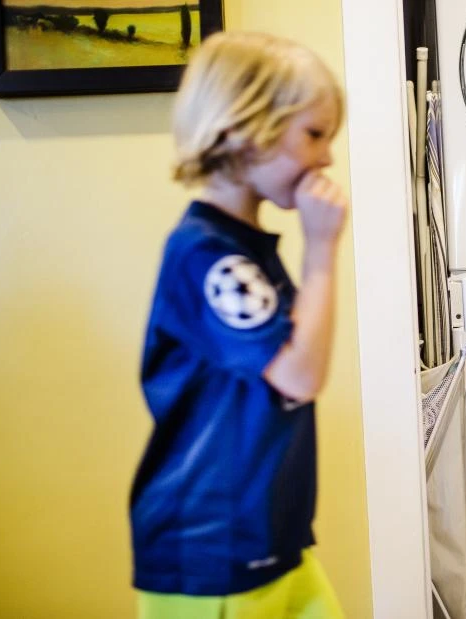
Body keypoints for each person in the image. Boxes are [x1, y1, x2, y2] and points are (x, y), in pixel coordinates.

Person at [129, 32, 347, 618]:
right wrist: (322, 249)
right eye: (315, 134)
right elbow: (299, 376)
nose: (327, 157)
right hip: (211, 552)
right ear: (244, 129)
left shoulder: (244, 250)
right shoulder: (210, 257)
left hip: (267, 535)